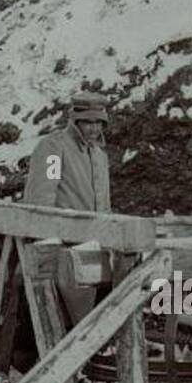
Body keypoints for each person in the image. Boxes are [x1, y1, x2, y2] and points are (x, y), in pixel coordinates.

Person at [22, 90, 111, 325]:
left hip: (94, 243)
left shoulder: (99, 155)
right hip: (66, 245)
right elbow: (43, 195)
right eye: (88, 122)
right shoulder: (54, 149)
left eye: (98, 122)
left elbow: (103, 204)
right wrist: (46, 240)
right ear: (76, 120)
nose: (94, 129)